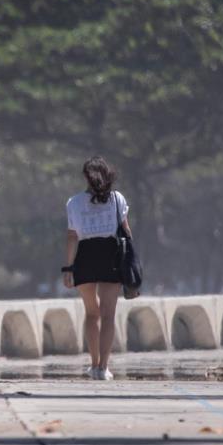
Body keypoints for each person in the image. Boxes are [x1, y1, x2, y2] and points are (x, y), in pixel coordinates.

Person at [63, 156, 131, 381]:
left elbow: (72, 237)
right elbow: (126, 232)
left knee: (92, 314)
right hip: (110, 254)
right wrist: (130, 263)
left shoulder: (74, 202)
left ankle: (93, 366)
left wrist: (68, 267)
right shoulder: (117, 199)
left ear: (85, 176)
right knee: (108, 315)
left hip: (85, 256)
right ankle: (104, 367)